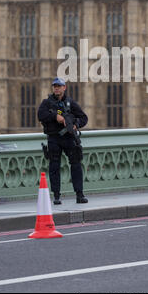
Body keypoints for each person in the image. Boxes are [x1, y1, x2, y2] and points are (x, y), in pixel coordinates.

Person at [37, 77, 88, 205]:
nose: (56, 88)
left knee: (76, 164)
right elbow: (40, 115)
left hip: (69, 138)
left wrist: (76, 124)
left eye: (59, 86)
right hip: (54, 138)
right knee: (54, 166)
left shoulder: (71, 103)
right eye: (55, 86)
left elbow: (84, 118)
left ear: (64, 88)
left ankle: (79, 194)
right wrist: (56, 116)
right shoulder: (47, 103)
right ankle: (56, 196)